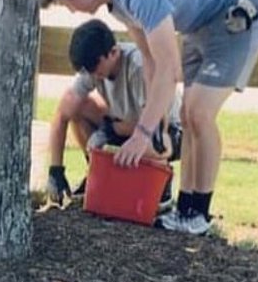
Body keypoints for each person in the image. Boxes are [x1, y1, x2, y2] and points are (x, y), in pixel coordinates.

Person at [40, 0, 258, 235]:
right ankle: (186, 208)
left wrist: (143, 134)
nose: (72, 11)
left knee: (199, 113)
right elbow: (150, 59)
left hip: (237, 13)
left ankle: (199, 212)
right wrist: (158, 120)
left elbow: (168, 69)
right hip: (200, 24)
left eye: (65, 5)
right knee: (188, 114)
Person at [45, 18, 182, 206]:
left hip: (165, 131)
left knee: (154, 143)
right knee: (80, 108)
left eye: (95, 68)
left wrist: (110, 131)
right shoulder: (94, 69)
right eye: (89, 71)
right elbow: (63, 114)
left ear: (114, 52)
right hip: (127, 124)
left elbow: (152, 124)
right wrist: (55, 170)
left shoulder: (138, 67)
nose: (93, 75)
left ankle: (160, 186)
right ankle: (98, 175)